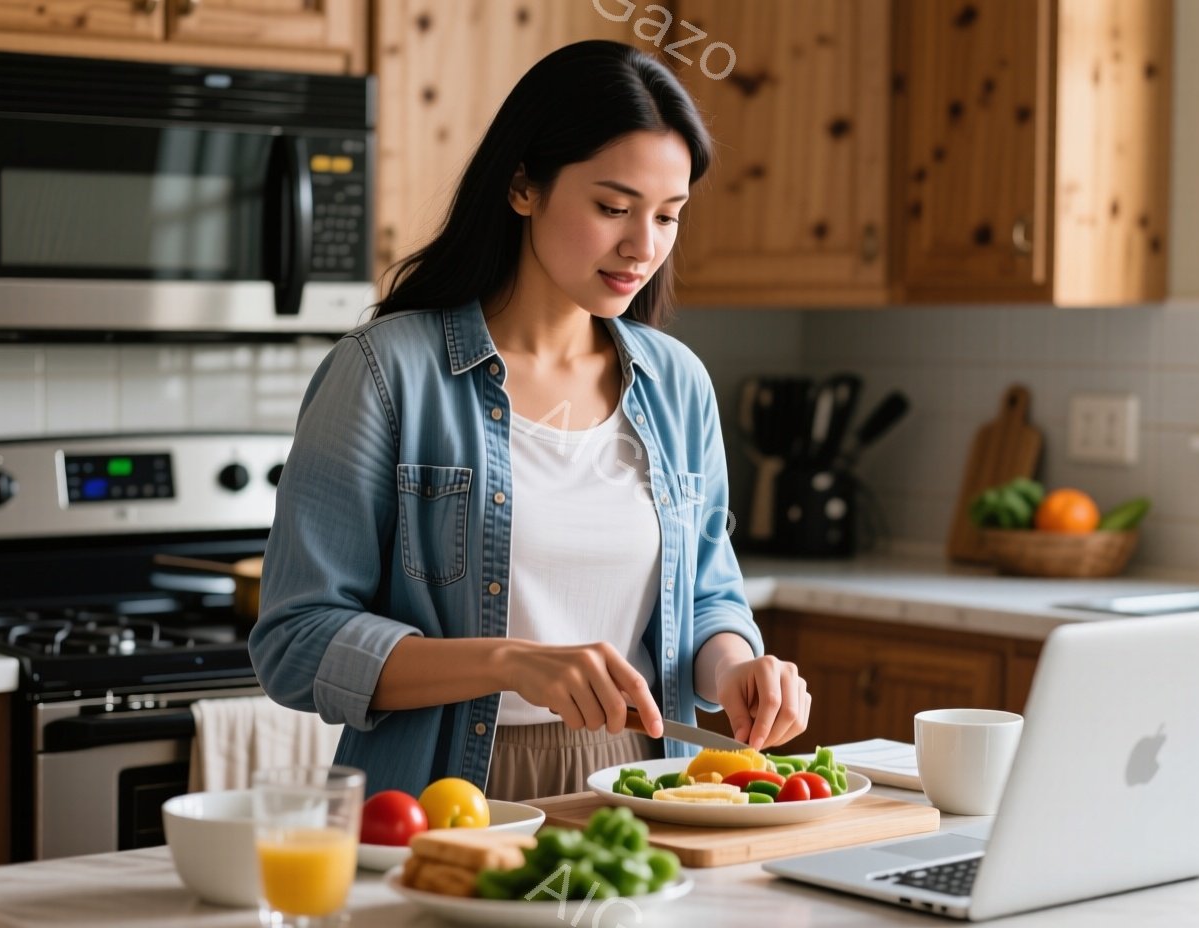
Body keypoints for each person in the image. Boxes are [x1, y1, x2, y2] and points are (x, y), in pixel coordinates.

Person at [250, 40, 810, 801]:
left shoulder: (676, 384)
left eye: (667, 216)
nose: (643, 246)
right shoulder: (385, 373)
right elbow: (296, 641)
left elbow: (707, 596)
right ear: (522, 186)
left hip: (643, 781)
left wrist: (738, 666)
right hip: (451, 790)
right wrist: (510, 662)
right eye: (613, 208)